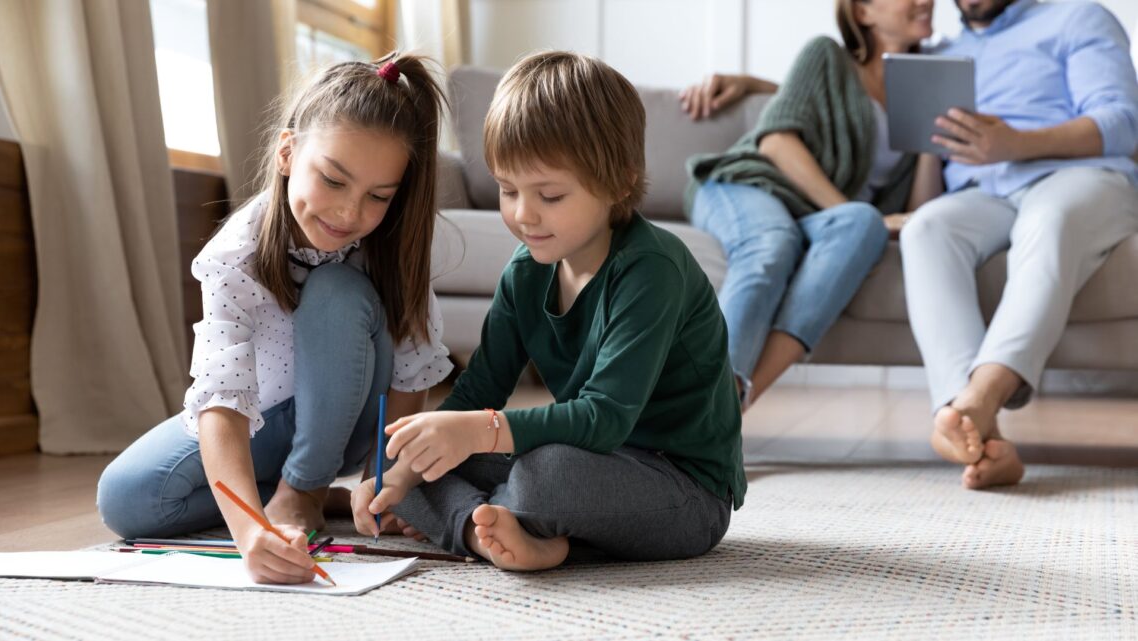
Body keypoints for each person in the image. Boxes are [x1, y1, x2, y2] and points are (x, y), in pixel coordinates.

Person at [349, 51, 746, 572]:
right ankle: (484, 530)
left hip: (683, 487)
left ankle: (511, 519)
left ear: (621, 181)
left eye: (550, 195)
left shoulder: (652, 270)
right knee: (406, 453)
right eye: (507, 190)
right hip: (589, 459)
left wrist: (473, 433)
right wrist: (401, 472)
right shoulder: (526, 272)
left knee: (544, 476)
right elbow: (478, 390)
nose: (522, 214)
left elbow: (603, 419)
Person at [97, 53, 453, 584]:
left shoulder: (393, 246)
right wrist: (249, 531)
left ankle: (305, 487)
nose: (349, 214)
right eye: (333, 181)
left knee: (336, 293)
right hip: (264, 420)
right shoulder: (232, 255)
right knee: (125, 499)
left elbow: (410, 376)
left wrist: (383, 477)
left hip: (350, 413)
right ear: (288, 152)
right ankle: (308, 495)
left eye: (378, 197)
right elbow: (222, 398)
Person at [900, 0, 1138, 489]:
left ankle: (976, 399)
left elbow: (1121, 123)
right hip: (983, 193)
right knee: (925, 229)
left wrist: (1016, 144)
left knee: (1049, 218)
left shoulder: (1078, 18)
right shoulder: (944, 54)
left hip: (1081, 178)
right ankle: (983, 440)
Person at [682, 0, 944, 410]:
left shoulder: (923, 86)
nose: (924, 1)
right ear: (862, 13)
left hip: (816, 218)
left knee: (864, 224)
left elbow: (918, 210)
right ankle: (708, 409)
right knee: (773, 243)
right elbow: (777, 140)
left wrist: (931, 138)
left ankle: (726, 410)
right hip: (747, 186)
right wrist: (843, 209)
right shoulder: (827, 54)